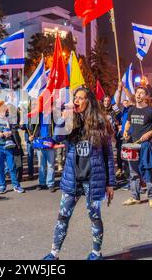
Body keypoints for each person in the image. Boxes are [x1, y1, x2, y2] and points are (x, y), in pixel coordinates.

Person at [43, 87, 115, 260]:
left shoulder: (100, 122)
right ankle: (54, 253)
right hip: (72, 178)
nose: (76, 100)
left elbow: (109, 155)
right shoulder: (70, 121)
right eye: (75, 97)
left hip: (93, 179)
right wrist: (66, 115)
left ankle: (96, 253)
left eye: (80, 98)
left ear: (88, 101)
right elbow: (57, 137)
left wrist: (110, 183)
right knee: (63, 216)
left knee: (94, 216)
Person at [123, 86, 152, 208]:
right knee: (133, 173)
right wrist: (125, 130)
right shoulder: (132, 110)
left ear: (146, 96)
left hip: (145, 146)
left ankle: (151, 197)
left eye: (141, 93)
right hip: (134, 145)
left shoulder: (151, 111)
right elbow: (129, 122)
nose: (138, 95)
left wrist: (149, 133)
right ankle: (135, 197)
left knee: (147, 171)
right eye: (137, 92)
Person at [0, 101, 24, 194]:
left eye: (5, 108)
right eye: (3, 108)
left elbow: (13, 130)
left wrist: (9, 133)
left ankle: (16, 185)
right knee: (0, 167)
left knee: (12, 166)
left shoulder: (8, 118)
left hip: (8, 145)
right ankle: (2, 186)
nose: (5, 110)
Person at [29, 111, 56, 192]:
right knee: (41, 164)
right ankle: (42, 183)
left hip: (50, 141)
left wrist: (56, 139)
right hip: (39, 142)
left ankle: (50, 183)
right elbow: (30, 127)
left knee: (50, 164)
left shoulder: (53, 115)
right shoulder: (36, 115)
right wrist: (30, 135)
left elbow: (57, 127)